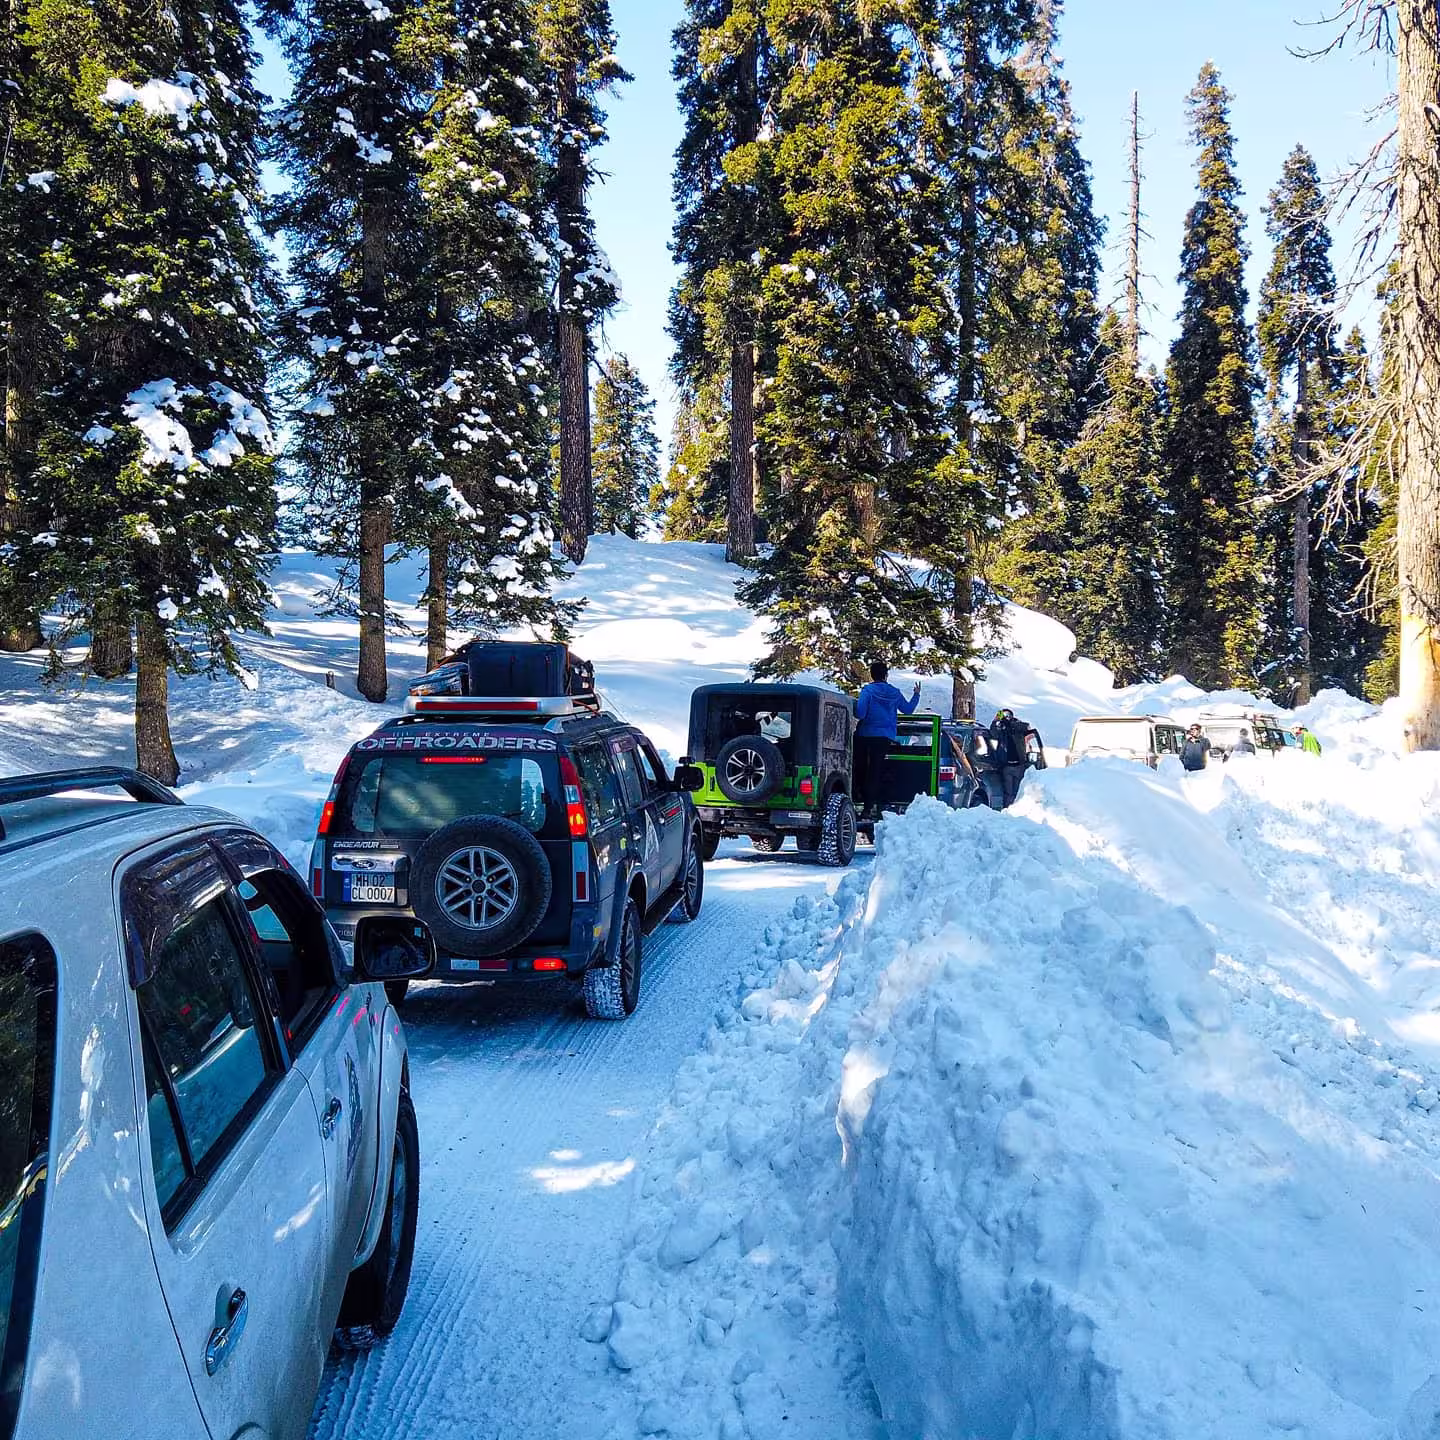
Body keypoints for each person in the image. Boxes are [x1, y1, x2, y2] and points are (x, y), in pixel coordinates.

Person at [854, 662, 921, 818]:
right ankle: (870, 806)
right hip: (884, 737)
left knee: (861, 768)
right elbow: (908, 710)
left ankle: (859, 797)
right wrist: (916, 694)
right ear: (886, 675)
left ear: (871, 675)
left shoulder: (868, 691)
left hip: (865, 735)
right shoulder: (894, 693)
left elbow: (860, 713)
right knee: (875, 770)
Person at [987, 707, 1044, 809]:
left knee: (1011, 793)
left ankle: (1010, 810)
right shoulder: (1014, 729)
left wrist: (998, 720)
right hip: (1016, 766)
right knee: (1015, 792)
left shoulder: (1009, 729)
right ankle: (1012, 810)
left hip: (1012, 766)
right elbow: (993, 733)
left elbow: (993, 733)